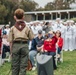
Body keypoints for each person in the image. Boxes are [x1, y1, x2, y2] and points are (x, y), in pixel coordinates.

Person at [8, 8, 34, 75]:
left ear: (15, 17)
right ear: (23, 17)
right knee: (23, 66)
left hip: (15, 46)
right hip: (24, 45)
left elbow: (10, 41)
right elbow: (31, 38)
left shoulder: (12, 28)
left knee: (15, 66)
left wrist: (11, 52)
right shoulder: (27, 27)